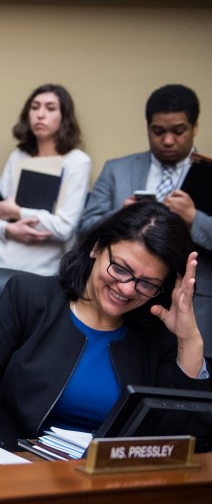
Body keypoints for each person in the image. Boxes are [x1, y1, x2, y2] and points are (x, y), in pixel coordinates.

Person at [0, 202, 209, 449]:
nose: (128, 289)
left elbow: (184, 440)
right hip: (9, 467)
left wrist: (190, 340)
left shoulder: (156, 335)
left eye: (147, 283)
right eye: (120, 269)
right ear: (96, 247)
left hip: (102, 484)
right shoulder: (28, 298)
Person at [79, 84, 212, 353]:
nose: (168, 140)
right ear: (148, 127)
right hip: (119, 304)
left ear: (195, 127)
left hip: (193, 308)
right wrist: (121, 215)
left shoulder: (209, 173)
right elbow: (84, 229)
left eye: (178, 131)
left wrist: (194, 219)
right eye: (158, 131)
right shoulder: (117, 169)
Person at [0, 84, 91, 275]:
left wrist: (17, 212)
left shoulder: (77, 162)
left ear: (64, 117)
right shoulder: (19, 155)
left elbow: (64, 228)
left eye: (50, 108)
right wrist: (9, 230)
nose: (40, 115)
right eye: (35, 107)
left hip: (39, 273)